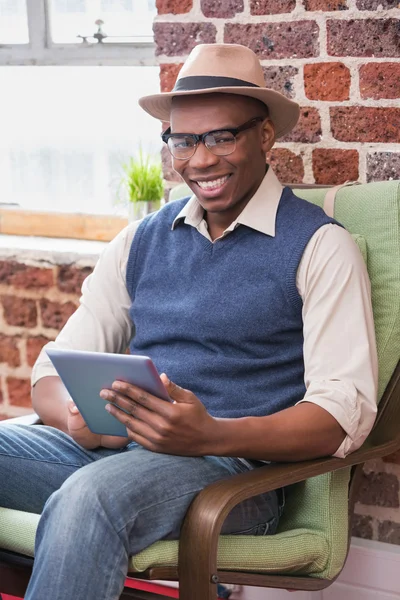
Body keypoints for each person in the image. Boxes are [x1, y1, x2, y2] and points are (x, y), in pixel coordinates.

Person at [0, 43, 378, 600]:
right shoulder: (140, 241)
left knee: (91, 499)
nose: (199, 160)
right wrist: (77, 417)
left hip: (232, 473)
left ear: (265, 135)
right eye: (182, 139)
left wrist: (212, 435)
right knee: (94, 487)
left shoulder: (320, 247)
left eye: (221, 136)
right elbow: (51, 373)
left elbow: (341, 416)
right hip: (114, 453)